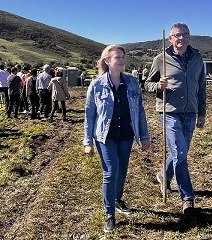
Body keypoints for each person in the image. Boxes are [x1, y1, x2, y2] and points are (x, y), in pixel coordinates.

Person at [83, 44, 150, 233]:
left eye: (122, 57)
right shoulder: (96, 85)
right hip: (105, 136)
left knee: (121, 171)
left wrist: (144, 136)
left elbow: (140, 111)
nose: (121, 61)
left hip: (127, 135)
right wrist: (88, 142)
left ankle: (117, 199)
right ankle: (109, 215)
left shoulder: (132, 83)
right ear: (107, 61)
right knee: (111, 172)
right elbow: (90, 115)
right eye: (117, 58)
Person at [145, 22, 206, 215]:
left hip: (190, 112)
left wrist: (202, 112)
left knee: (180, 153)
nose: (181, 38)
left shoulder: (197, 58)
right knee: (180, 153)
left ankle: (164, 174)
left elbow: (202, 87)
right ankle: (187, 198)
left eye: (184, 35)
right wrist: (158, 87)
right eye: (177, 35)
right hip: (169, 111)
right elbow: (146, 84)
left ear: (189, 37)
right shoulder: (161, 59)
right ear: (170, 38)